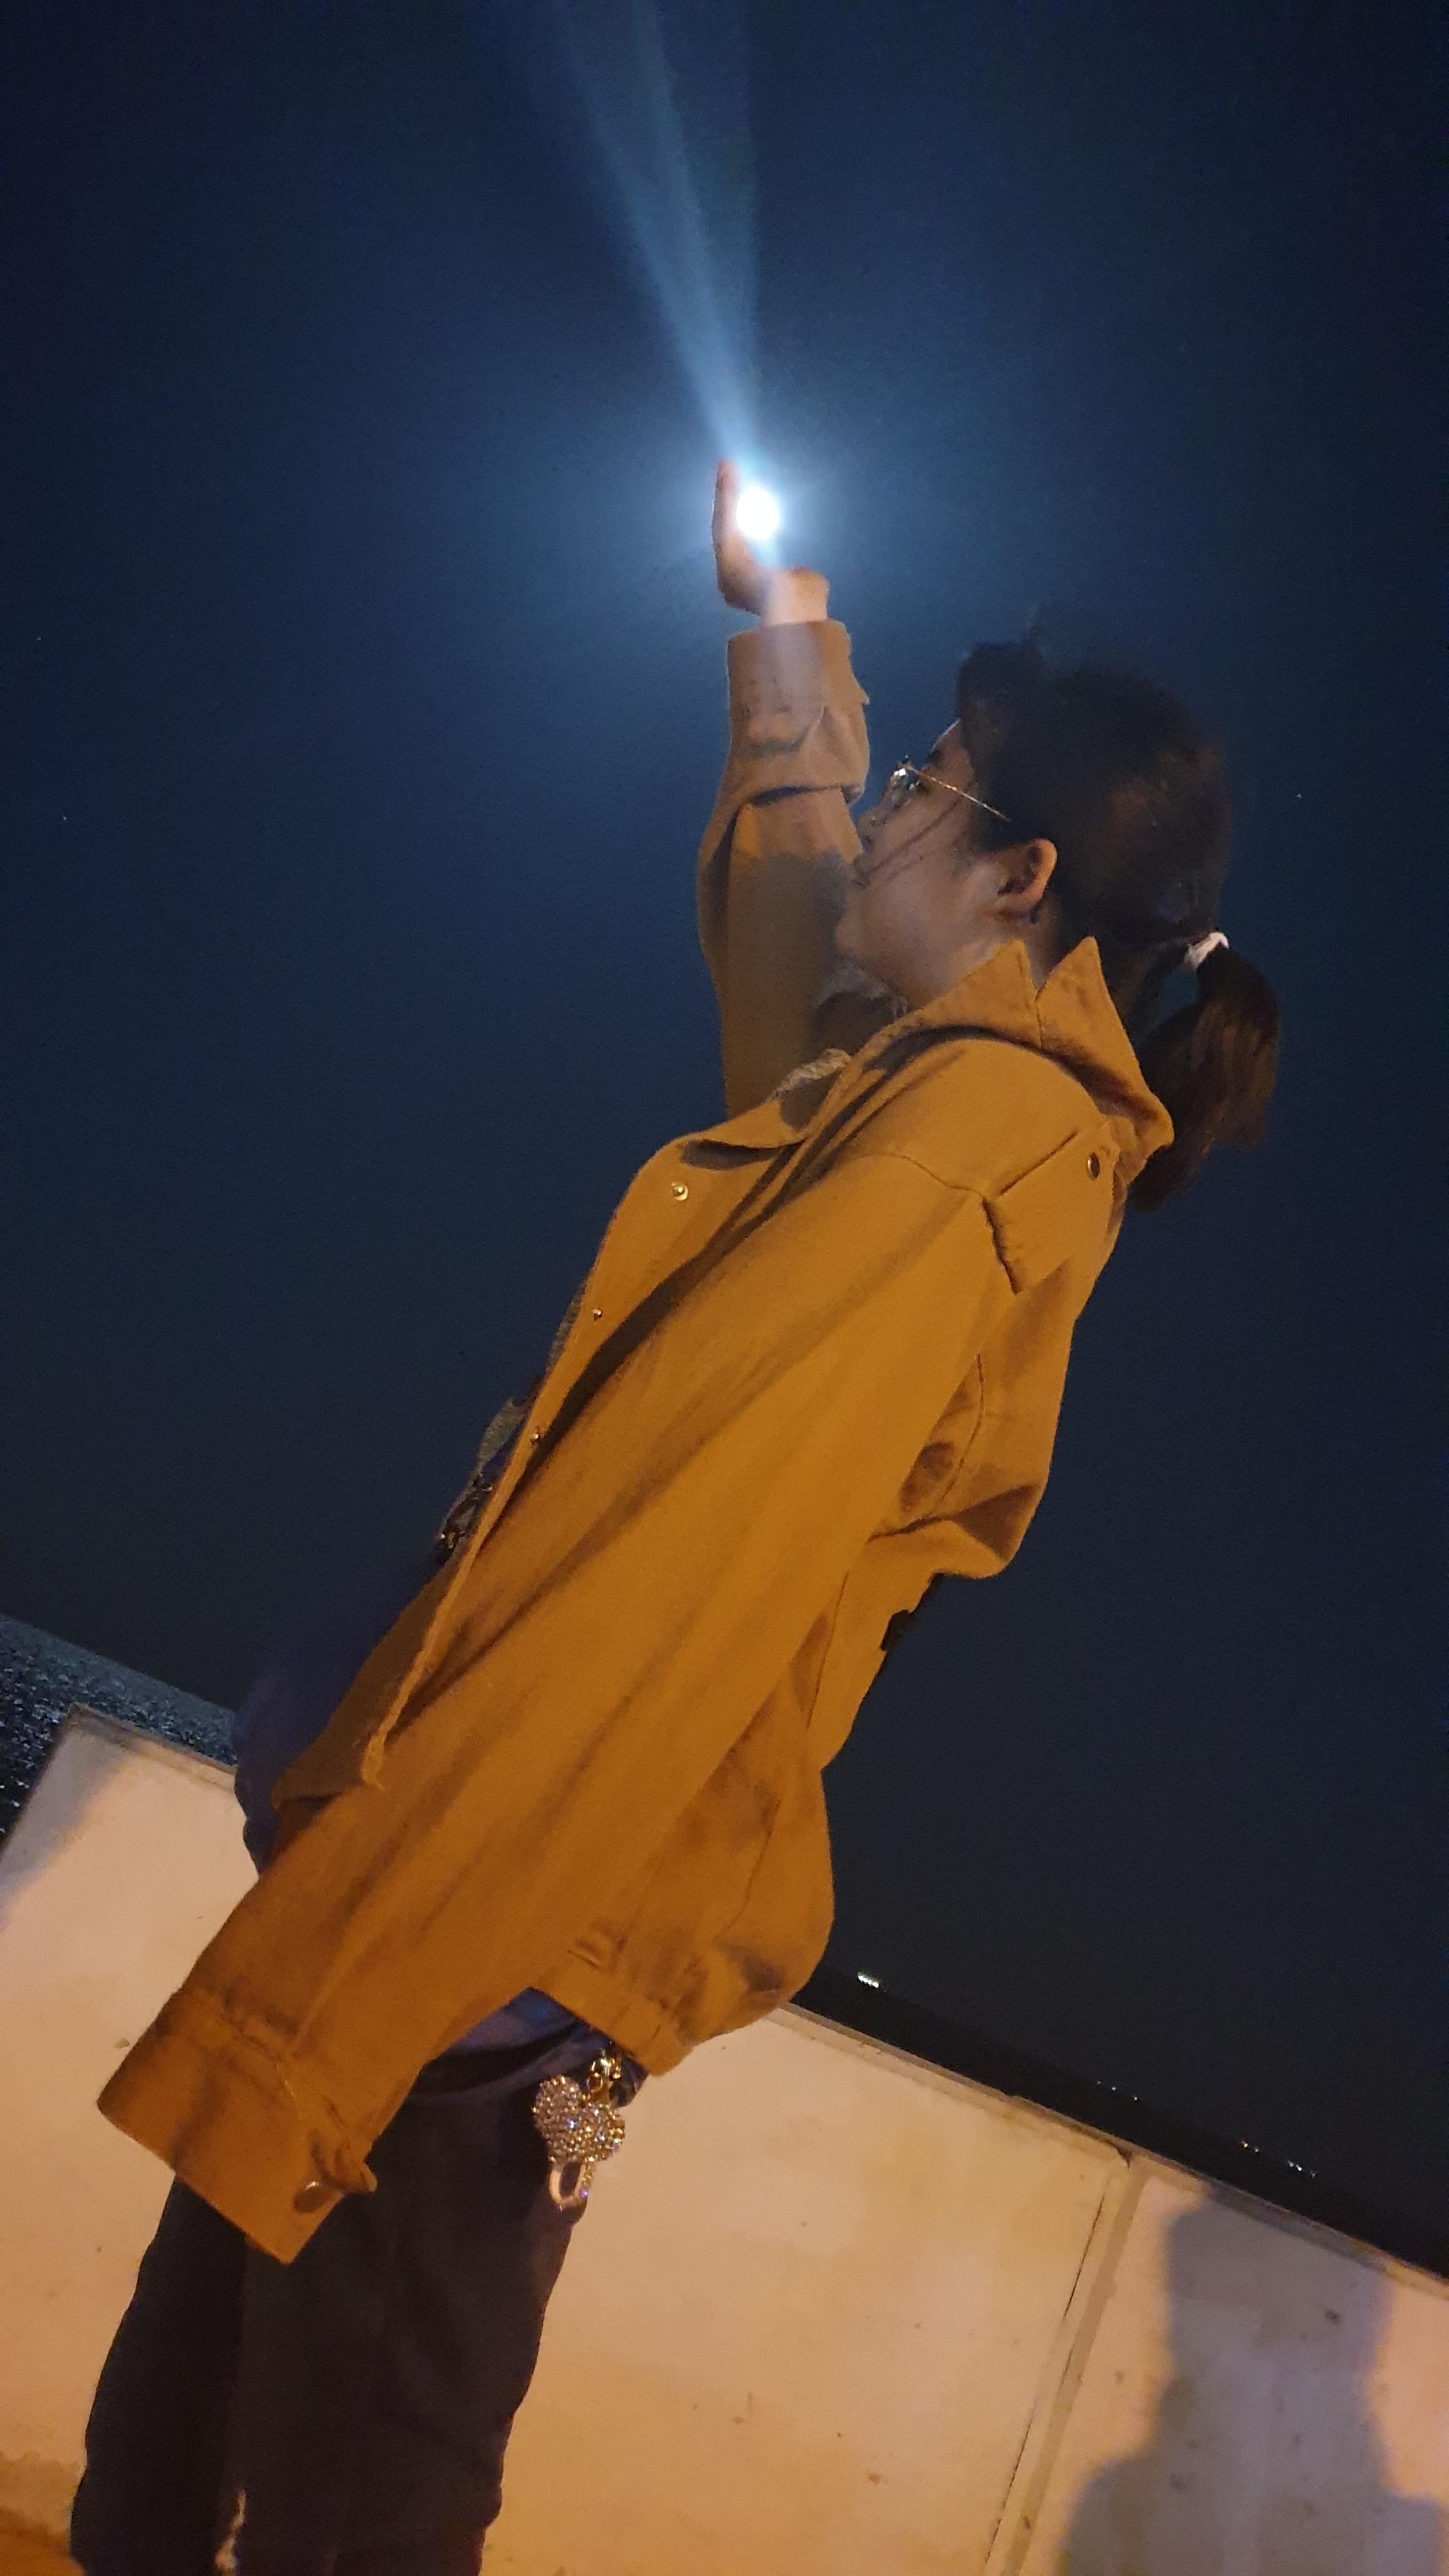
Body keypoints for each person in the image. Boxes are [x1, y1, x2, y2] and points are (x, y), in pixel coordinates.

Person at [72, 462, 1279, 2574]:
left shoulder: (960, 1159)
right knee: (164, 2471)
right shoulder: (912, 1081)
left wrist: (345, 1996)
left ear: (1018, 878)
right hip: (432, 1887)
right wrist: (790, 637)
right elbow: (806, 936)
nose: (879, 813)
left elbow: (654, 1586)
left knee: (357, 2507)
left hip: (476, 1947)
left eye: (920, 786)